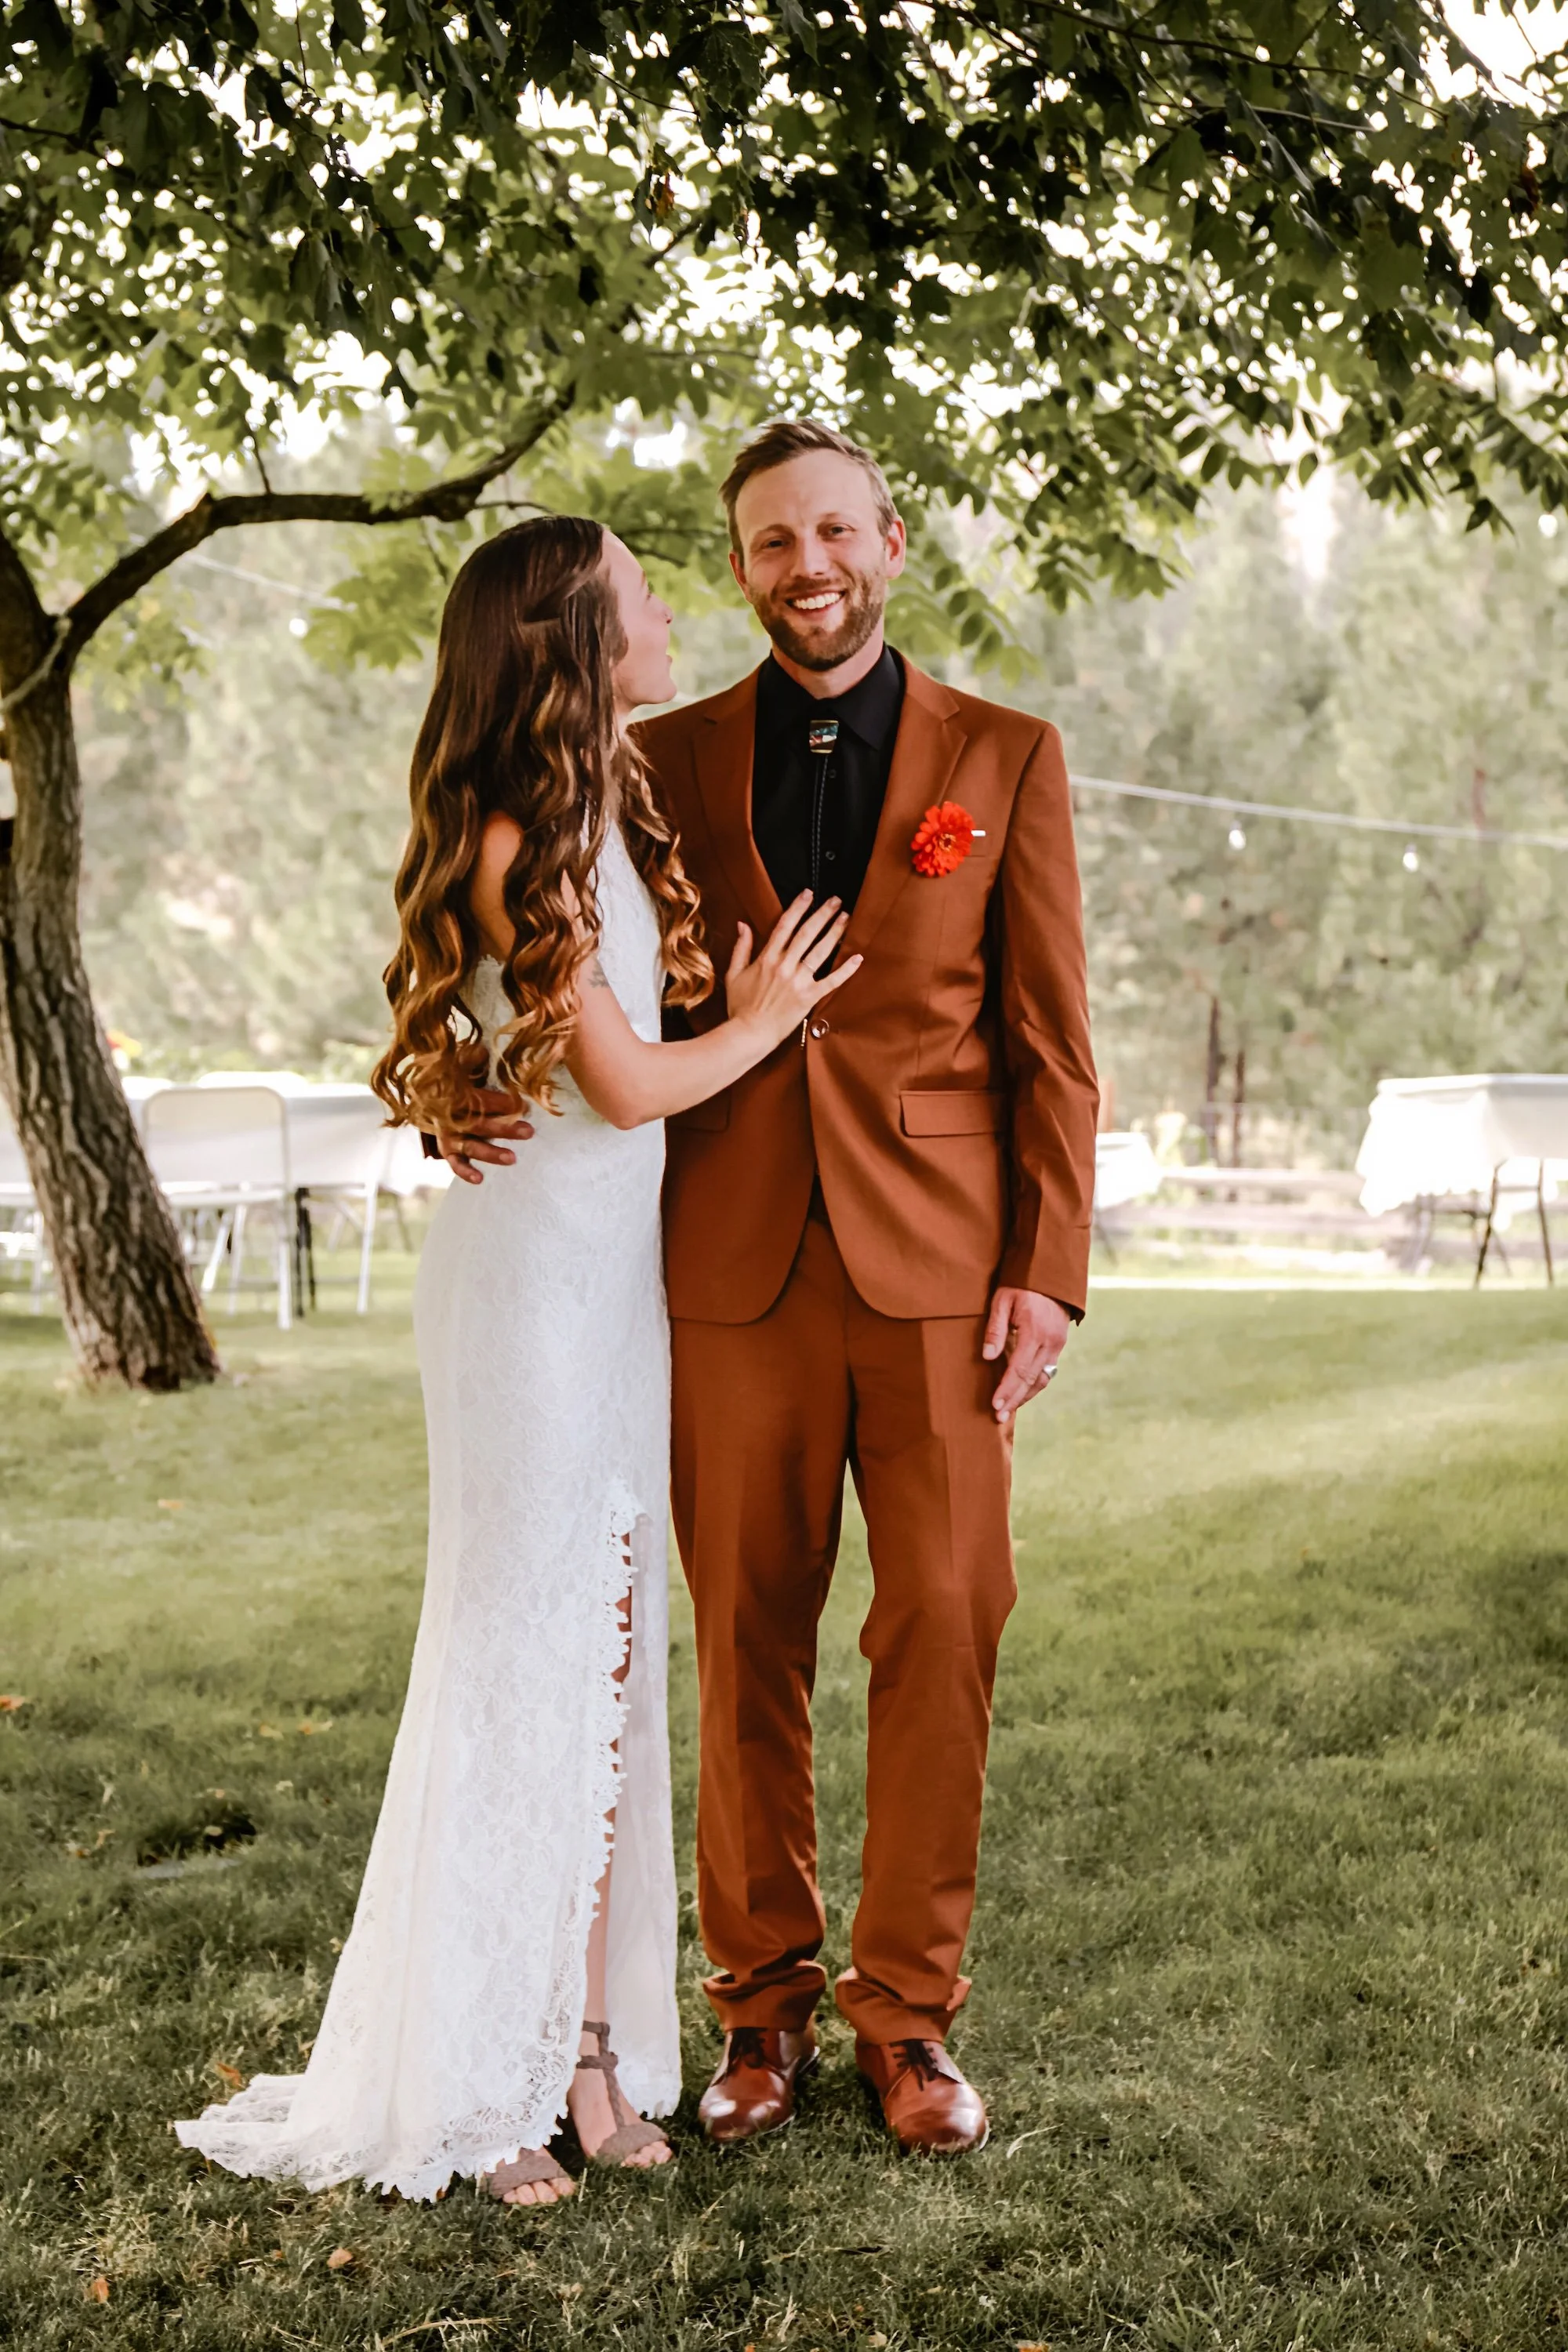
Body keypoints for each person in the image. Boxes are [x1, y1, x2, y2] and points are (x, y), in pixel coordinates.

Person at [174, 514, 858, 2207]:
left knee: (609, 1663)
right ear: (573, 637)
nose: (673, 606)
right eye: (639, 593)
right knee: (524, 1652)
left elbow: (517, 1048)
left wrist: (453, 1075)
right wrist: (762, 1022)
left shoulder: (607, 810)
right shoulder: (508, 839)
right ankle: (489, 2083)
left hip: (608, 1291)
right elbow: (626, 1087)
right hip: (525, 1299)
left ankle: (592, 2051)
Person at [439, 422, 1099, 2159]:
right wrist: (463, 1083)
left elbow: (1052, 1048)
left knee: (947, 1621)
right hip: (722, 1266)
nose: (803, 567)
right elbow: (555, 971)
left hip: (945, 1271)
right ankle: (759, 2011)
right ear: (738, 567)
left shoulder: (1007, 757)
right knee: (741, 1635)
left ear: (888, 540)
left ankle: (912, 2019)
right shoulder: (645, 756)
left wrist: (1047, 1270)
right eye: (765, 543)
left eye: (831, 533)